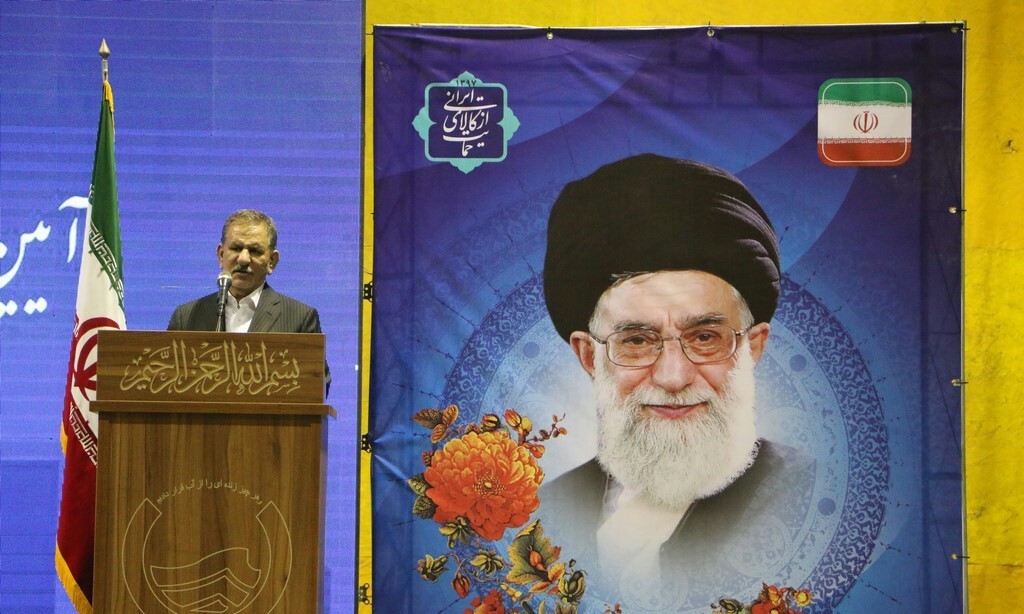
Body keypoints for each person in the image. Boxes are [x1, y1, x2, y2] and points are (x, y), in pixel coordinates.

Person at [538, 154, 811, 607]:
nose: (673, 376)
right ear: (589, 356)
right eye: (636, 341)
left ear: (753, 346)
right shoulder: (541, 517)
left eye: (704, 337)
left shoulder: (808, 497)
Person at [168, 209, 330, 391]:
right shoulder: (186, 317)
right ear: (221, 255)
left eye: (254, 251)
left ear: (272, 261)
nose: (243, 259)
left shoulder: (299, 318)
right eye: (236, 248)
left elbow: (316, 388)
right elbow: (167, 384)